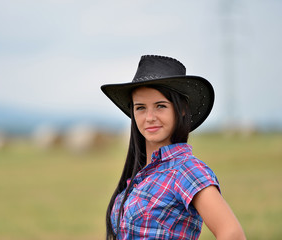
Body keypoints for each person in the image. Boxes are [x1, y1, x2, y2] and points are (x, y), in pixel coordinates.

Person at [100, 55, 246, 240]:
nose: (150, 117)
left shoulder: (186, 170)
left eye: (160, 106)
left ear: (182, 109)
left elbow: (232, 234)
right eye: (140, 108)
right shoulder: (141, 176)